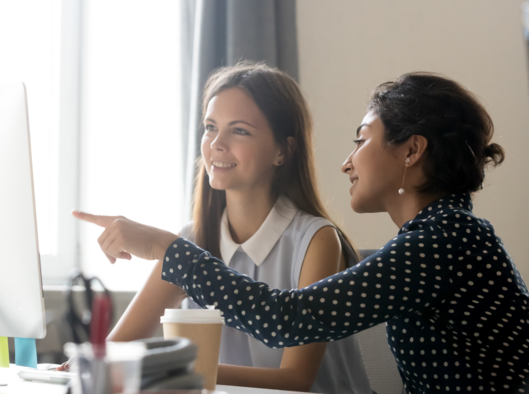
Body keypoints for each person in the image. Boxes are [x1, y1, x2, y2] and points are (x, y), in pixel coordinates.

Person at [76, 72, 529, 393]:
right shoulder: (439, 237)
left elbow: (288, 319)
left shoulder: (444, 241)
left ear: (412, 150)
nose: (348, 161)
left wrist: (165, 248)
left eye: (362, 140)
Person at [70, 62, 372, 394]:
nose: (216, 143)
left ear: (282, 151)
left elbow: (295, 379)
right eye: (210, 127)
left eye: (239, 130)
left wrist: (173, 369)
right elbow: (116, 348)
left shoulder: (317, 240)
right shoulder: (193, 241)